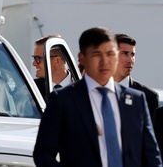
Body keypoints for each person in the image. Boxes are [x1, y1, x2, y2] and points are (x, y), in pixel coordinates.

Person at [33, 26, 162, 167]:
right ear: (82, 58)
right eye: (97, 54)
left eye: (110, 54)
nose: (105, 61)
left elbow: (152, 155)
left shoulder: (137, 100)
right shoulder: (63, 100)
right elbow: (43, 153)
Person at [113, 33, 159, 116]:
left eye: (132, 54)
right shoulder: (95, 90)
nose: (130, 60)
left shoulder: (148, 96)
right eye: (125, 53)